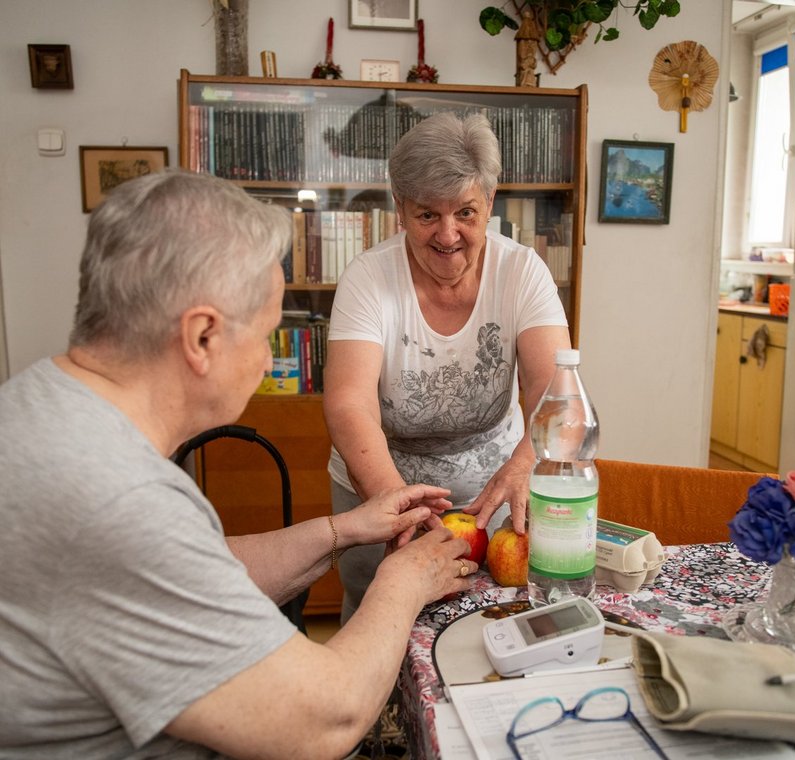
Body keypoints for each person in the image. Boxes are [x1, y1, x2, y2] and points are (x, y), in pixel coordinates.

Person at [0, 170, 478, 759]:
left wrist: (340, 531)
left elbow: (193, 574)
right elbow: (326, 720)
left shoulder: (42, 405)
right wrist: (404, 584)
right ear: (202, 337)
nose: (264, 362)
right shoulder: (115, 500)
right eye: (267, 335)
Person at [323, 112, 571, 622]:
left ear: (490, 202)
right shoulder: (368, 279)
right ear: (399, 208)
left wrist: (523, 466)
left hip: (494, 493)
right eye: (427, 215)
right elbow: (349, 404)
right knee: (379, 626)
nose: (448, 234)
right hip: (382, 490)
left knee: (498, 622)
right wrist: (397, 506)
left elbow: (554, 391)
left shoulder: (523, 271)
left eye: (465, 212)